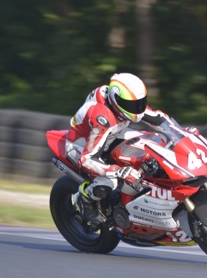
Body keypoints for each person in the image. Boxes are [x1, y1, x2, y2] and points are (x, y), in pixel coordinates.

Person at [62, 72, 173, 226]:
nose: (137, 108)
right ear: (116, 100)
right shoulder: (102, 118)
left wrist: (179, 133)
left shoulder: (127, 104)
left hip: (110, 136)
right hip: (80, 147)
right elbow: (86, 159)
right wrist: (117, 171)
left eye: (140, 103)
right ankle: (84, 199)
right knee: (108, 182)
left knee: (152, 143)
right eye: (132, 105)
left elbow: (158, 118)